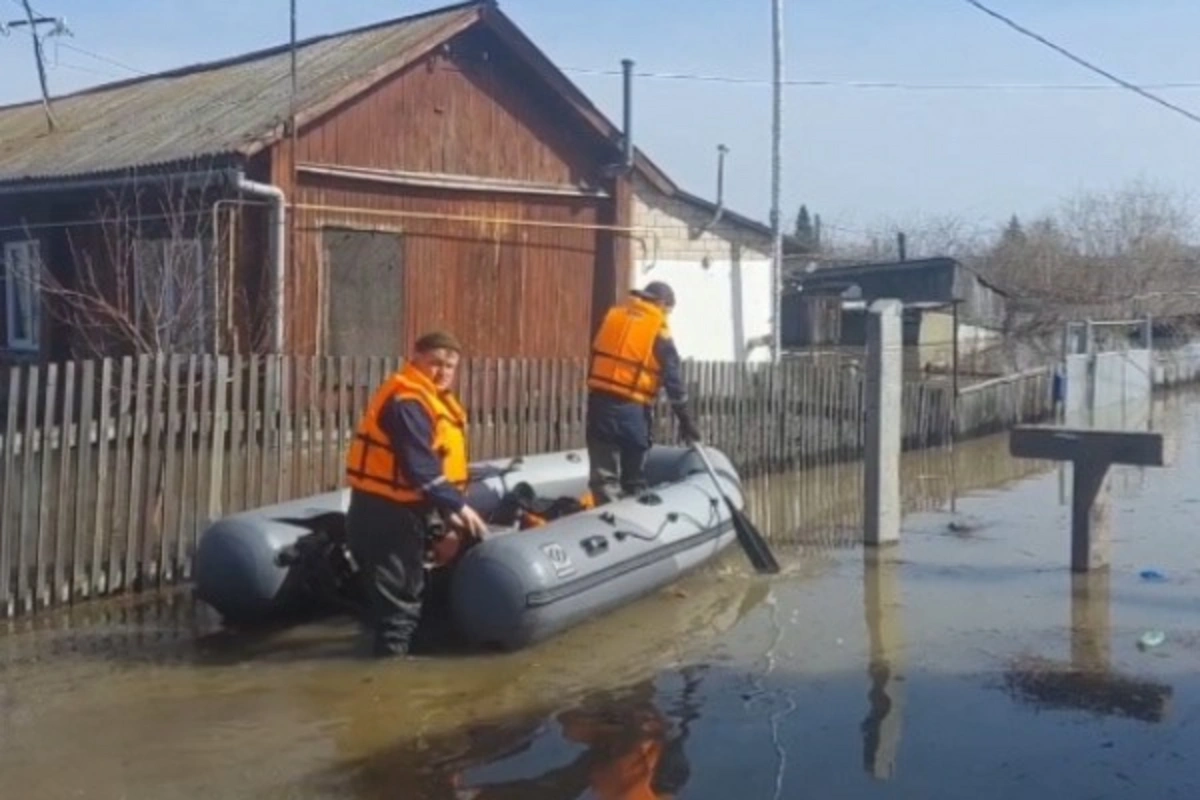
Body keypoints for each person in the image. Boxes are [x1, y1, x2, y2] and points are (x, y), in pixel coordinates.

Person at [343, 330, 489, 657]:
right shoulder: (407, 401)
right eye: (434, 363)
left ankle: (402, 659)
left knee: (411, 594)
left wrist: (450, 517)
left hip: (410, 508)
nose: (441, 372)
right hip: (384, 513)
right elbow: (418, 465)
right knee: (398, 606)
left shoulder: (431, 399)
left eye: (449, 366)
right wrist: (456, 507)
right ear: (416, 358)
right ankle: (389, 683)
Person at [585, 281, 702, 506]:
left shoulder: (613, 317)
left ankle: (606, 512)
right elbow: (673, 381)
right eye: (668, 310)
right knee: (634, 479)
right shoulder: (659, 330)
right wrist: (686, 422)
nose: (668, 315)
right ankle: (633, 519)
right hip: (632, 411)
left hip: (599, 406)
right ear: (660, 304)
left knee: (603, 478)